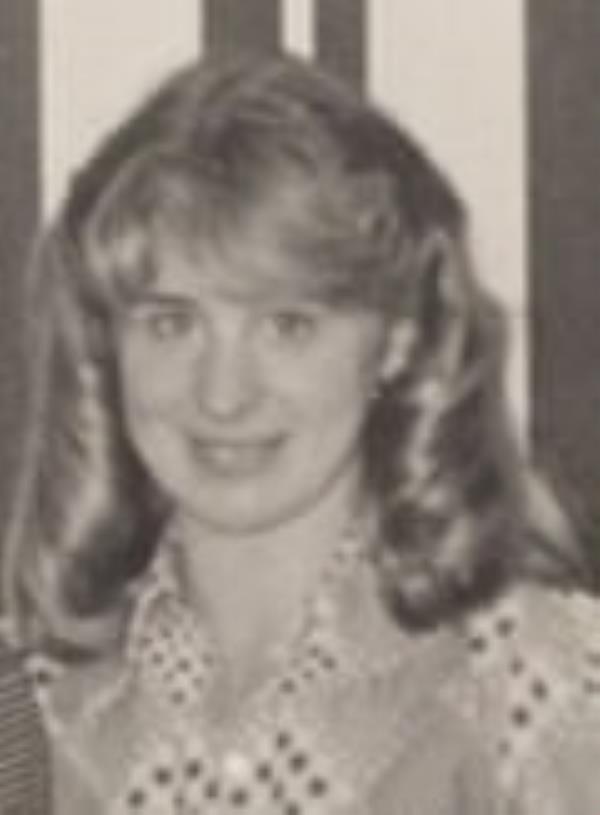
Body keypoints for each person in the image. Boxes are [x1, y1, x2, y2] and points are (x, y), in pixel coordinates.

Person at [2, 53, 600, 814]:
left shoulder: (532, 684)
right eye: (171, 321)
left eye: (289, 325)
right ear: (105, 343)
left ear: (396, 339)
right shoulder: (30, 708)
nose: (223, 394)